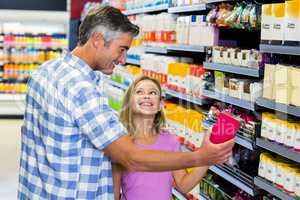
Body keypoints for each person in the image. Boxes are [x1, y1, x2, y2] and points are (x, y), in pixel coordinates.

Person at [18, 5, 234, 199]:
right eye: (121, 49)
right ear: (98, 40)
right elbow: (131, 158)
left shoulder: (44, 71)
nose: (122, 60)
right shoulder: (81, 88)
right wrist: (201, 157)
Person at [113, 76, 209, 200]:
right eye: (139, 92)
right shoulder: (120, 143)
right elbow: (113, 194)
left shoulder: (170, 141)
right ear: (130, 103)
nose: (146, 96)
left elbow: (183, 185)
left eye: (152, 92)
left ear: (160, 105)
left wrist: (207, 158)